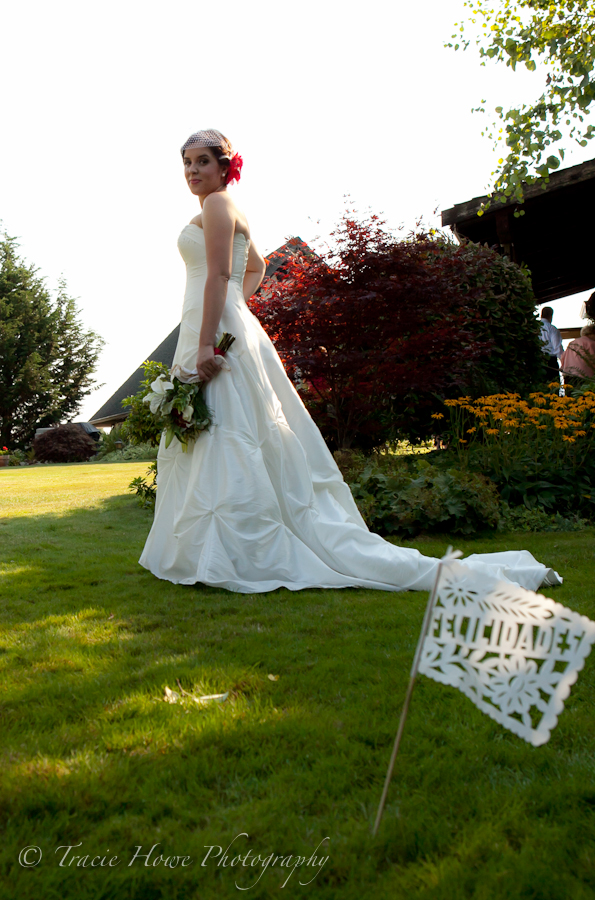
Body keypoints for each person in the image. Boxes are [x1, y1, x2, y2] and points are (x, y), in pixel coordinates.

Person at [139, 129, 562, 593]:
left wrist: (206, 343)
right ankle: (214, 549)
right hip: (221, 321)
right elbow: (254, 266)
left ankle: (235, 552)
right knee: (217, 429)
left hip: (213, 329)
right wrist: (236, 309)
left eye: (202, 161)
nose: (193, 171)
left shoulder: (218, 205)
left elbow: (220, 273)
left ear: (224, 167)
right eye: (186, 163)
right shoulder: (219, 209)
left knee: (226, 428)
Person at [539, 307, 563, 378]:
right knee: (553, 385)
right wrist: (564, 363)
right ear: (551, 316)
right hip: (550, 361)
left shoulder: (534, 328)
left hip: (536, 360)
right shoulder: (552, 329)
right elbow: (557, 347)